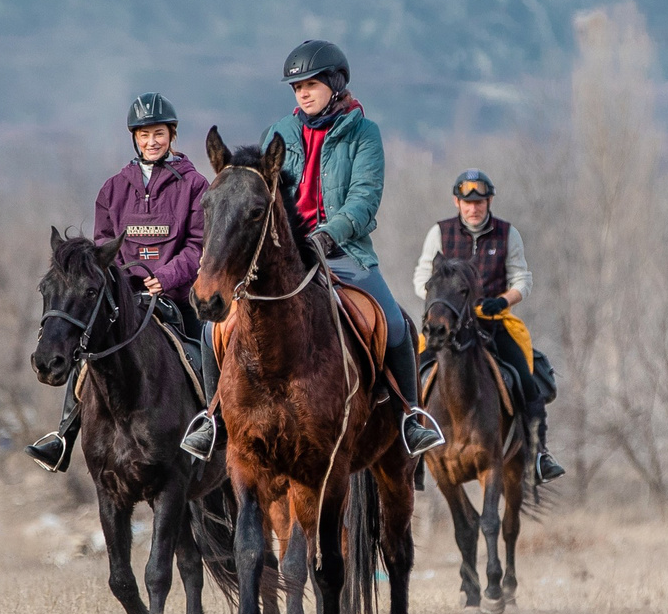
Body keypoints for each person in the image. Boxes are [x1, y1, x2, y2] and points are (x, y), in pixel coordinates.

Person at [180, 39, 444, 460]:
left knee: (394, 325)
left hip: (343, 251)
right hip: (284, 253)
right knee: (215, 327)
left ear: (336, 84)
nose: (302, 92)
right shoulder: (278, 133)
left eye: (311, 83)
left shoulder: (365, 133)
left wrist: (328, 233)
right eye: (296, 86)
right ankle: (212, 420)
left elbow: (364, 199)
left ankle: (410, 418)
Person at [27, 92, 211, 471]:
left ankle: (212, 425)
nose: (151, 142)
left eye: (158, 133)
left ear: (172, 135)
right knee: (86, 350)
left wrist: (165, 276)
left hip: (176, 295)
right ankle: (63, 436)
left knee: (206, 346)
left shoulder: (195, 185)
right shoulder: (113, 188)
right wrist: (123, 282)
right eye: (143, 135)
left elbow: (198, 245)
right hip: (124, 298)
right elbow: (101, 251)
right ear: (134, 138)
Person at [412, 167, 566, 482]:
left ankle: (539, 454)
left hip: (494, 321)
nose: (473, 208)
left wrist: (505, 300)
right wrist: (439, 302)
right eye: (467, 202)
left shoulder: (507, 234)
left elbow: (522, 279)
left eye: (480, 201)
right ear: (456, 202)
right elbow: (421, 277)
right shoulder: (439, 233)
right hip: (449, 325)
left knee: (524, 378)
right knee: (412, 374)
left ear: (489, 200)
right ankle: (409, 450)